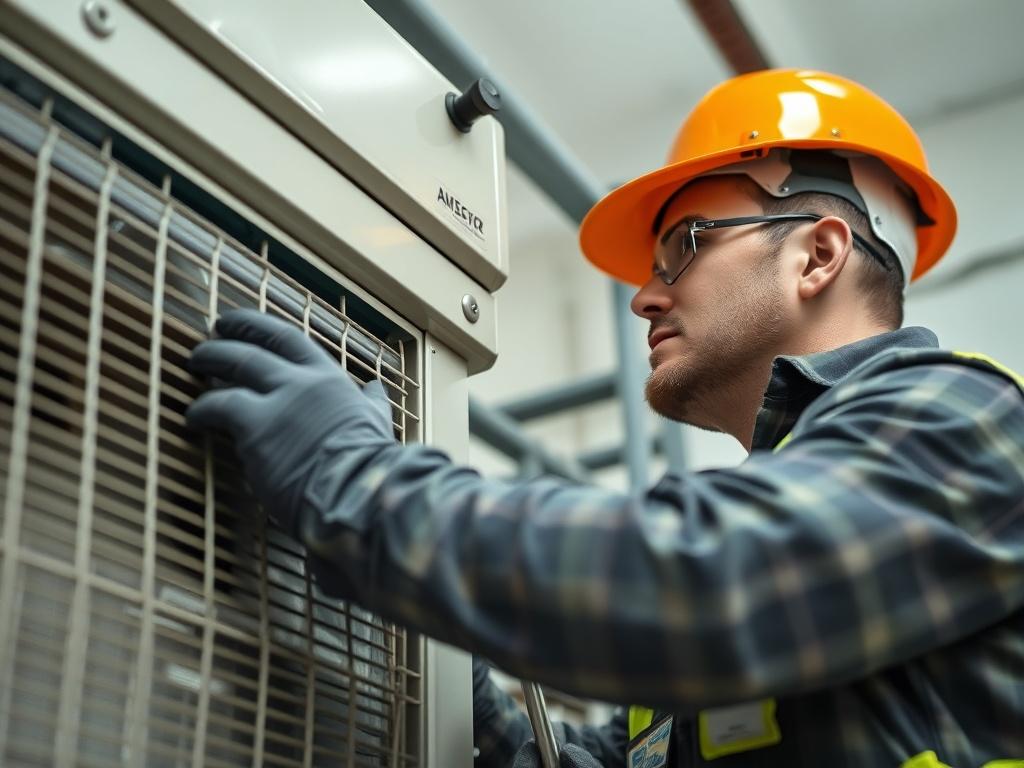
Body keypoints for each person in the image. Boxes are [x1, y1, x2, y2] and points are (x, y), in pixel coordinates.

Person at [186, 69, 1024, 767]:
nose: (645, 296)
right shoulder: (788, 507)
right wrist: (450, 671)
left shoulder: (965, 419)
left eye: (687, 244)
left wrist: (358, 486)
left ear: (818, 254)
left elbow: (700, 585)